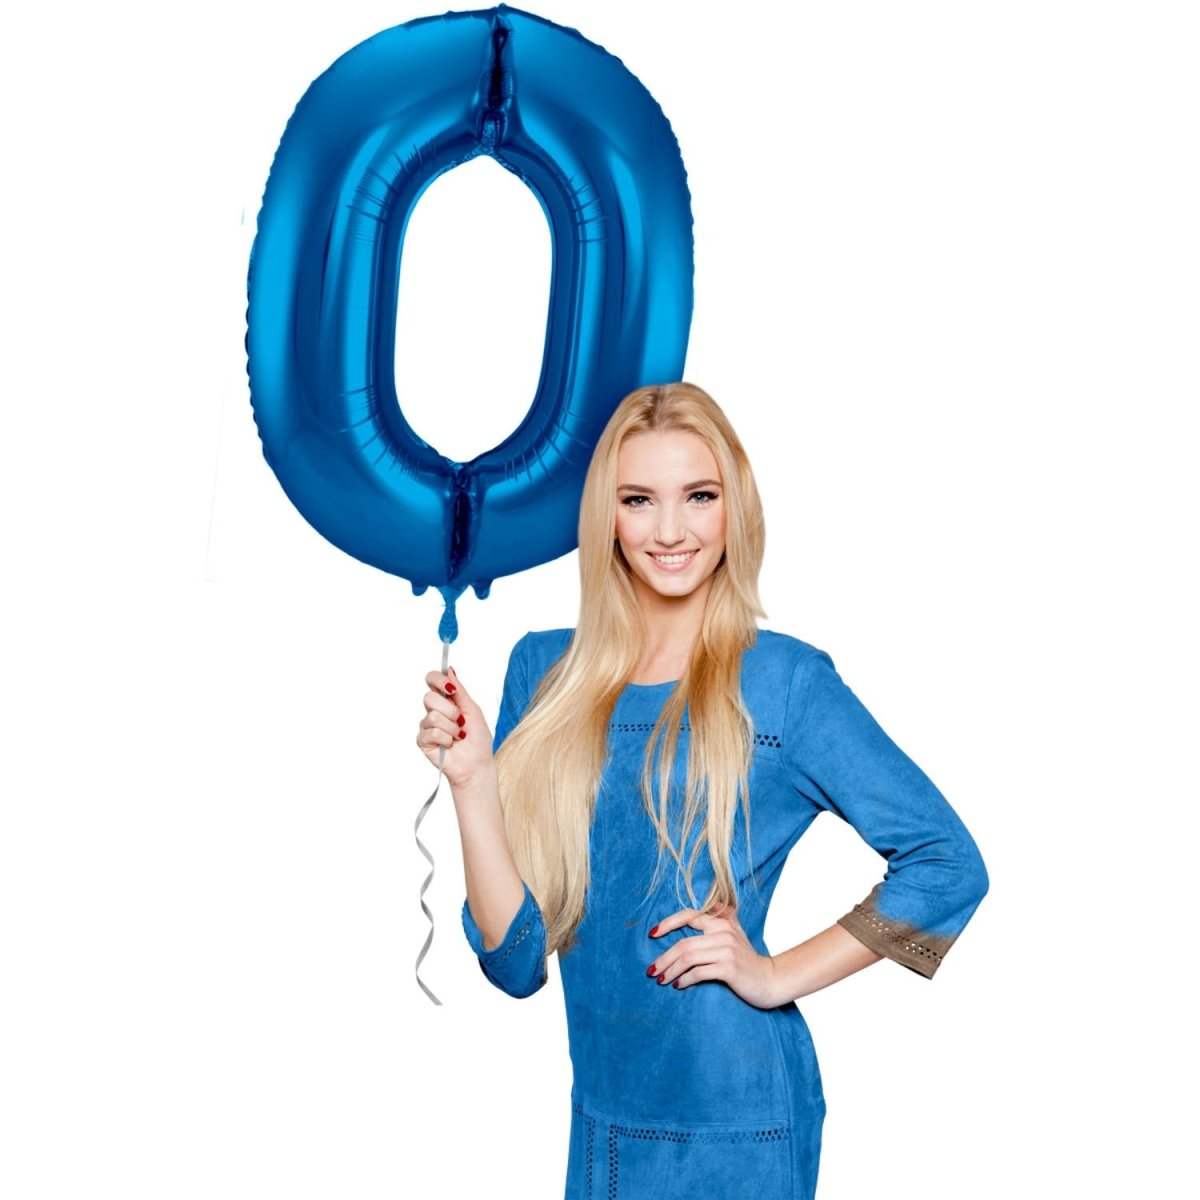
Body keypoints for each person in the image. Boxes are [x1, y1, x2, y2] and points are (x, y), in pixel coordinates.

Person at [415, 382, 988, 1199]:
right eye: (638, 500)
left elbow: (948, 863)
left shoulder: (786, 684)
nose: (671, 531)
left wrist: (775, 975)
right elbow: (513, 966)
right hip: (603, 1118)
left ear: (734, 507)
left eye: (699, 496)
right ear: (606, 517)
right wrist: (473, 781)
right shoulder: (544, 672)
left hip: (737, 1118)